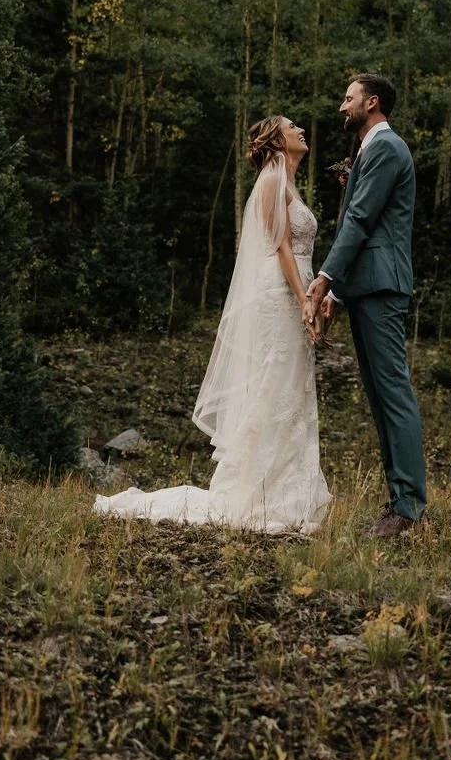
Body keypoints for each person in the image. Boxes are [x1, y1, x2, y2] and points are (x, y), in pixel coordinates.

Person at [94, 116, 331, 533]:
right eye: (293, 126)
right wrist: (302, 300)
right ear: (277, 140)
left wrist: (312, 299)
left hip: (297, 293)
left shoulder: (289, 183)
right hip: (280, 296)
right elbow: (279, 249)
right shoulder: (272, 183)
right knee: (273, 388)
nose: (301, 130)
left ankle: (287, 489)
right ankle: (259, 492)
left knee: (291, 390)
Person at [305, 73, 426, 538]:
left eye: (349, 98)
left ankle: (408, 506)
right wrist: (337, 293)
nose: (342, 106)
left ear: (371, 103)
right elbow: (363, 226)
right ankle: (399, 499)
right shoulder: (370, 150)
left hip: (382, 285)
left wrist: (324, 278)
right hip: (366, 285)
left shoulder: (387, 148)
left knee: (393, 393)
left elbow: (359, 218)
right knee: (380, 397)